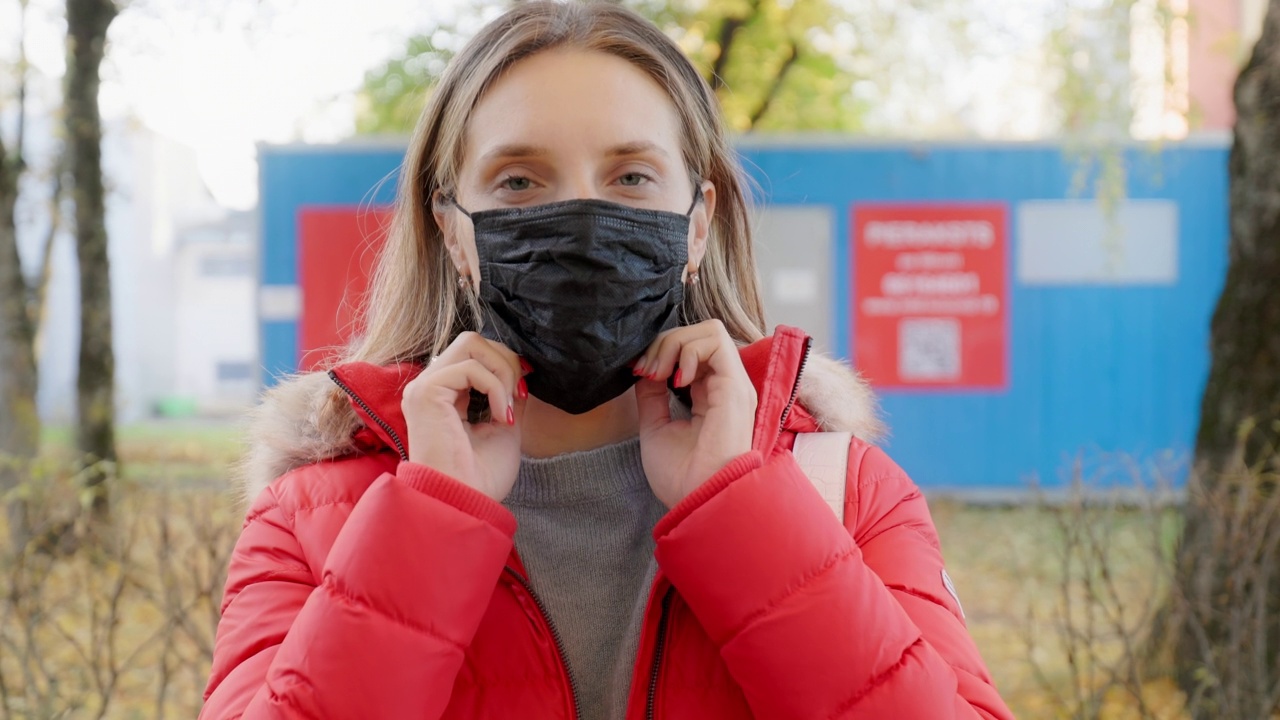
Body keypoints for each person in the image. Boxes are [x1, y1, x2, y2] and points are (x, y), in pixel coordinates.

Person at [200, 2, 1014, 718]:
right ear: (452, 229)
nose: (580, 219)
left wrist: (743, 511)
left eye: (630, 176)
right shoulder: (311, 520)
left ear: (697, 224)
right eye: (519, 181)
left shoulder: (845, 494)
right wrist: (430, 518)